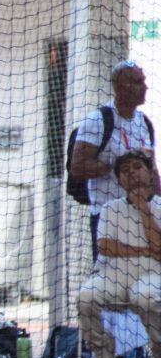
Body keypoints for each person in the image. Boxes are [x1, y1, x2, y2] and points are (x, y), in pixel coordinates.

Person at [77, 149, 161, 358]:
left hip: (152, 274)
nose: (132, 173)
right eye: (125, 171)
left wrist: (143, 209)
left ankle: (159, 355)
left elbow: (159, 248)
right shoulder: (110, 209)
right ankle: (104, 357)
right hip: (114, 274)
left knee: (144, 297)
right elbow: (105, 246)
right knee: (86, 297)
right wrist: (144, 250)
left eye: (137, 167)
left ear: (149, 173)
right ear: (119, 180)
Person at [70, 60, 154, 257]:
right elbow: (77, 167)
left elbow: (153, 170)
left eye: (143, 81)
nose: (145, 87)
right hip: (108, 215)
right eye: (137, 82)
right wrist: (118, 164)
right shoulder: (98, 120)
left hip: (141, 213)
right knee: (110, 279)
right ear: (119, 87)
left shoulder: (144, 122)